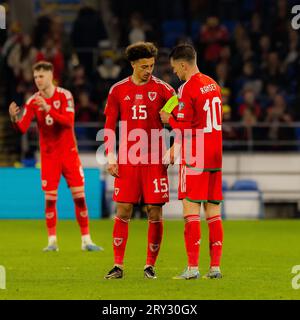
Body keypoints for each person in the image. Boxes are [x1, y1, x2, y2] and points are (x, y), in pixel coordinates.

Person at [8, 61, 102, 252]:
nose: (38, 80)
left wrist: (49, 108)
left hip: (69, 154)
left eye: (41, 76)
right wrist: (14, 119)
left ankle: (86, 240)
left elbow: (68, 122)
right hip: (49, 156)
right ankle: (52, 241)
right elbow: (23, 128)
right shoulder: (33, 101)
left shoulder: (65, 95)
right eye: (35, 77)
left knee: (80, 198)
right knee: (50, 199)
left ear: (51, 76)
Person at [103, 42, 175, 279]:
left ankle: (149, 266)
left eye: (152, 65)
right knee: (123, 209)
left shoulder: (165, 90)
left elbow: (180, 114)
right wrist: (111, 156)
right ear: (133, 64)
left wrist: (175, 141)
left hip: (155, 160)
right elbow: (109, 126)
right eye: (144, 66)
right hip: (128, 159)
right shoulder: (117, 90)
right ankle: (118, 265)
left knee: (154, 212)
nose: (149, 70)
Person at [160, 44, 224, 279]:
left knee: (191, 211)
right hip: (216, 153)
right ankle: (215, 268)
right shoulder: (212, 84)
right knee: (214, 212)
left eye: (175, 68)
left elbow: (186, 128)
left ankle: (193, 268)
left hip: (196, 154)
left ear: (183, 64)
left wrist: (170, 119)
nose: (175, 72)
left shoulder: (188, 88)